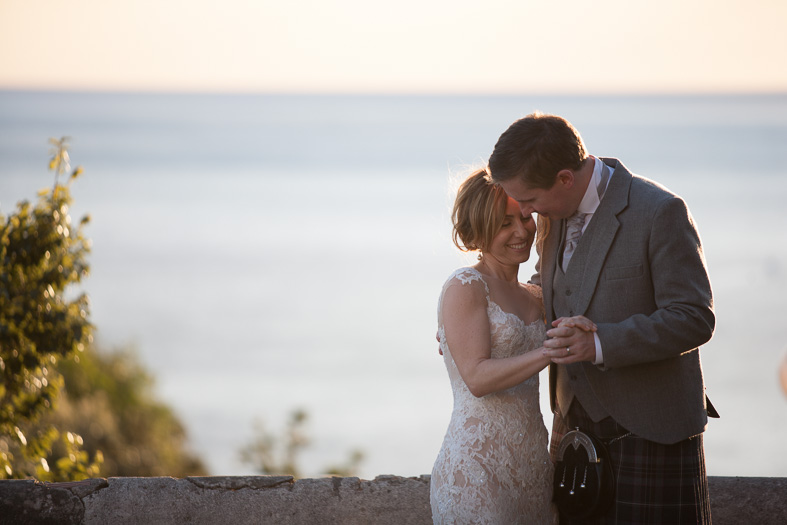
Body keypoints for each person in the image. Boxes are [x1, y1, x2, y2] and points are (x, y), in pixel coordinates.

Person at [487, 112, 717, 524]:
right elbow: (547, 287)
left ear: (564, 179)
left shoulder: (659, 212)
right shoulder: (552, 214)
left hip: (651, 431)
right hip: (574, 428)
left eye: (530, 199)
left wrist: (598, 344)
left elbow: (693, 317)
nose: (524, 210)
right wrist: (480, 318)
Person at [430, 168, 594, 524]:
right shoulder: (465, 286)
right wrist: (549, 351)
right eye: (505, 223)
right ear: (478, 229)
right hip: (476, 469)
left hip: (533, 470)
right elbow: (476, 377)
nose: (521, 232)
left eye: (525, 216)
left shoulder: (538, 295)